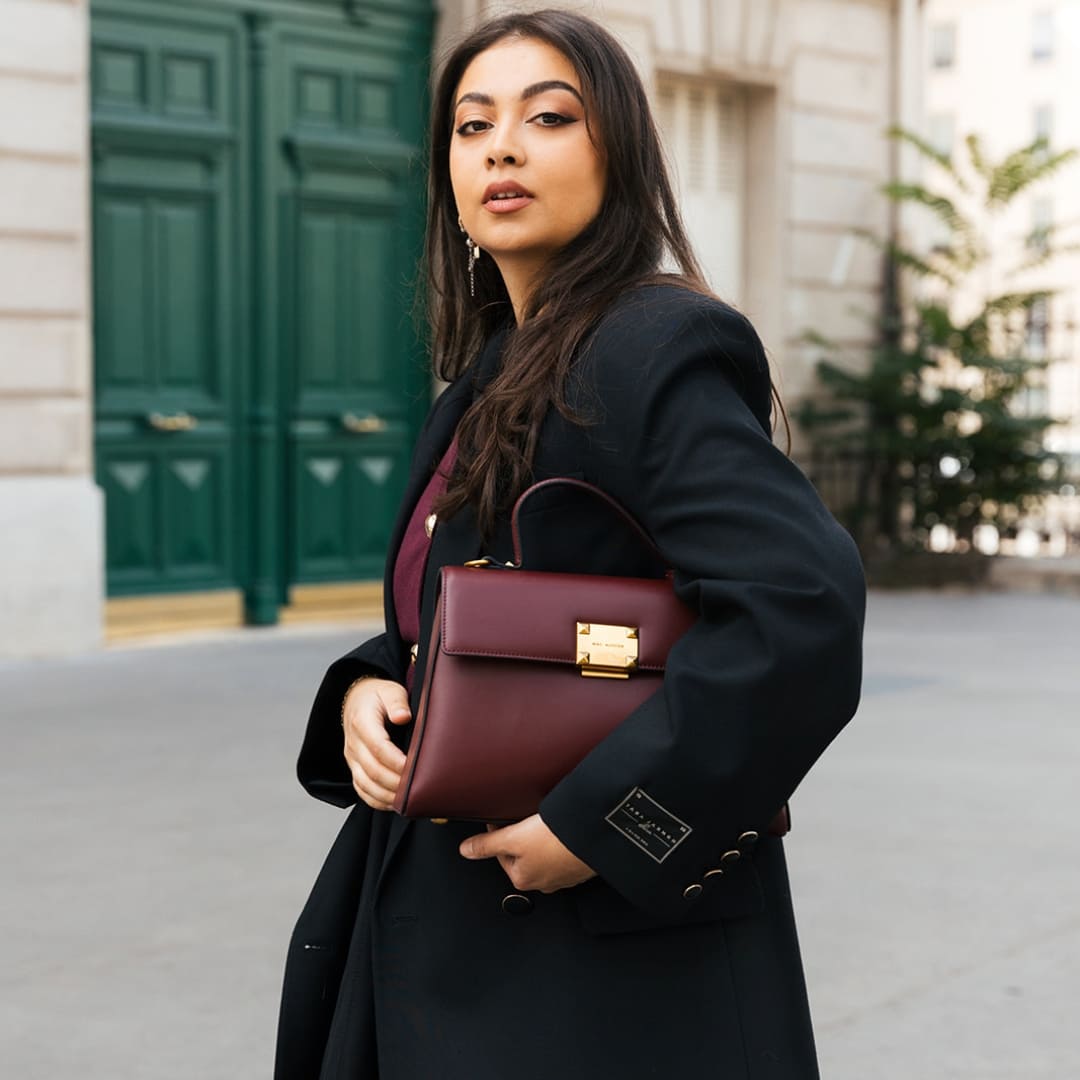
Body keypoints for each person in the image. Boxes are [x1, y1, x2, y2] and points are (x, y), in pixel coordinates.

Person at [275, 9, 865, 1079]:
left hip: (596, 977)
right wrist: (369, 688)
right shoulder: (492, 370)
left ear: (621, 156)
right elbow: (499, 603)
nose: (501, 145)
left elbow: (799, 607)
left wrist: (608, 828)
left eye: (549, 116)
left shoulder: (650, 345)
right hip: (449, 924)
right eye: (471, 125)